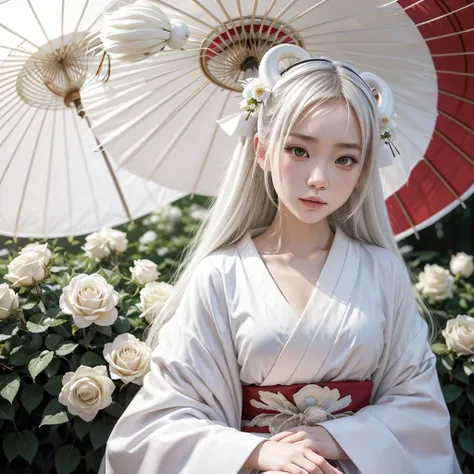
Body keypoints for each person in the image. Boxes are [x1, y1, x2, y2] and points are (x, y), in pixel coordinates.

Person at [99, 44, 461, 474]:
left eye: (345, 158)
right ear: (262, 151)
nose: (318, 178)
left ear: (364, 170)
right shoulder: (221, 275)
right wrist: (257, 452)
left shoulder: (382, 272)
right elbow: (162, 419)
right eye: (299, 150)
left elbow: (419, 408)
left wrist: (340, 438)